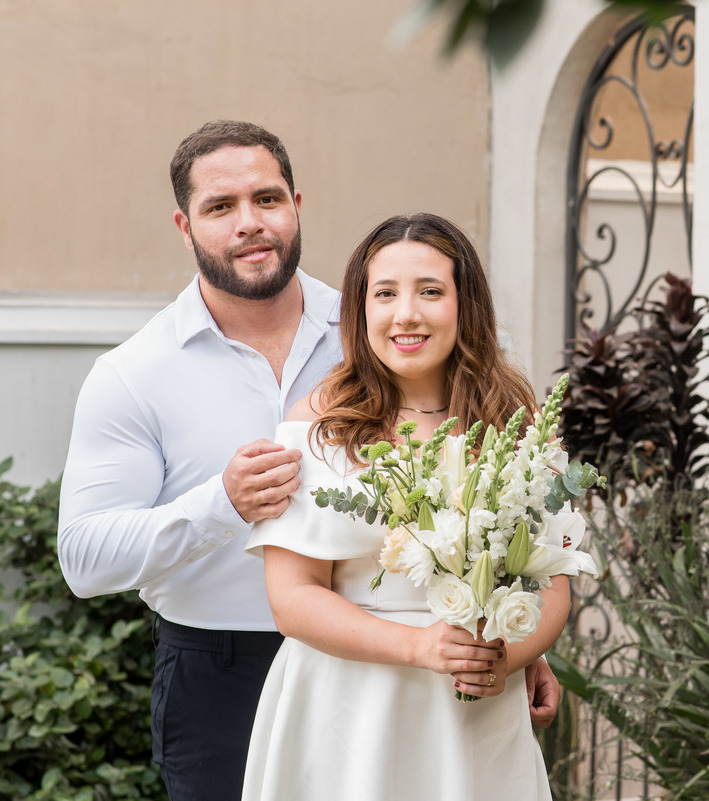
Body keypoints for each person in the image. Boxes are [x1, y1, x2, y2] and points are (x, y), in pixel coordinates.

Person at [56, 121, 560, 801]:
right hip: (221, 665)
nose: (250, 223)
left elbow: (482, 483)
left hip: (431, 666)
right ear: (185, 226)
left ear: (296, 203)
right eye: (220, 207)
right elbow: (85, 560)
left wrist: (510, 633)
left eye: (267, 199)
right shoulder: (134, 374)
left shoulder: (382, 322)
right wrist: (221, 505)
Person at [240, 212, 565, 800]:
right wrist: (418, 647)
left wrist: (508, 658)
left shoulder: (518, 426)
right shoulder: (317, 428)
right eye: (384, 293)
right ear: (361, 308)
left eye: (430, 292)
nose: (405, 313)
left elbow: (554, 587)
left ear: (467, 305)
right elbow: (292, 600)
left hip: (472, 713)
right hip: (346, 707)